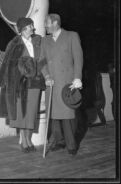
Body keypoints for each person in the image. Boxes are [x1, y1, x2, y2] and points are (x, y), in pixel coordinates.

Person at [0, 17, 45, 153]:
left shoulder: (38, 40)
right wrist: (2, 81)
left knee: (31, 113)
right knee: (22, 113)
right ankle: (24, 141)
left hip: (35, 81)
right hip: (20, 83)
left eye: (32, 26)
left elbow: (43, 59)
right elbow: (7, 64)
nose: (32, 29)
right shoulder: (14, 43)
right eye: (29, 27)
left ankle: (28, 139)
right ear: (22, 29)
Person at [40, 13, 83, 155]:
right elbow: (41, 61)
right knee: (53, 115)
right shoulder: (45, 40)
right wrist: (46, 76)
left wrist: (77, 78)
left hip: (67, 83)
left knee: (68, 115)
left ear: (55, 23)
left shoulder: (71, 36)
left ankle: (71, 145)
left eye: (47, 23)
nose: (45, 26)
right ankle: (58, 141)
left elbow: (78, 58)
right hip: (51, 83)